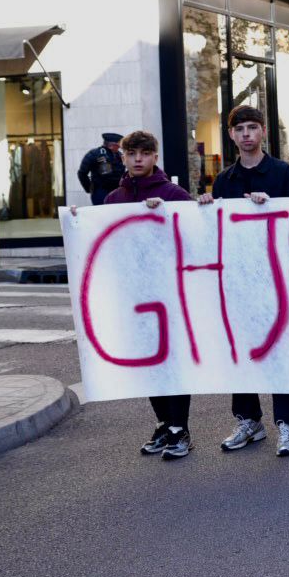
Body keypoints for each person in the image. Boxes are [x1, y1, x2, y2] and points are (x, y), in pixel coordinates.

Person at [198, 106, 289, 457]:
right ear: (231, 135)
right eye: (240, 129)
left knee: (278, 352)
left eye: (252, 127)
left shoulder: (282, 173)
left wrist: (272, 206)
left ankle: (287, 424)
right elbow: (216, 231)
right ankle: (248, 419)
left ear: (262, 131)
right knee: (240, 350)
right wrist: (206, 207)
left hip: (276, 277)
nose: (246, 134)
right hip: (238, 278)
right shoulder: (224, 180)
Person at [95, 130, 197, 459]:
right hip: (133, 296)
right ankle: (164, 423)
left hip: (170, 295)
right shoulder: (113, 200)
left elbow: (194, 236)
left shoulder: (173, 194)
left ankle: (180, 428)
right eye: (132, 153)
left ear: (155, 157)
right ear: (122, 157)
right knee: (148, 363)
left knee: (172, 362)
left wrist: (164, 215)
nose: (138, 159)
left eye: (145, 153)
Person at [77, 132, 125, 206]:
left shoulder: (119, 155)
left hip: (117, 191)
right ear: (111, 146)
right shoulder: (94, 154)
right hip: (101, 192)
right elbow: (82, 173)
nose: (120, 147)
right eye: (118, 145)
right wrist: (89, 188)